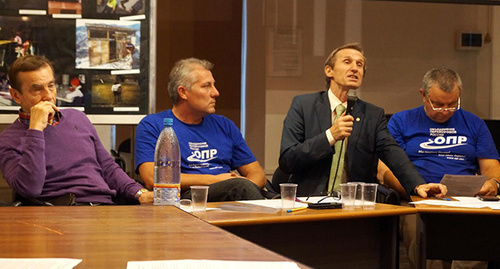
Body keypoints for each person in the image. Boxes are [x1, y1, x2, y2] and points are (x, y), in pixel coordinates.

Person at [278, 42, 447, 198]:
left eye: (359, 65)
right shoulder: (303, 105)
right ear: (329, 71)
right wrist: (330, 136)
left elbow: (393, 153)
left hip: (355, 204)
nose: (355, 68)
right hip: (309, 202)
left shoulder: (372, 114)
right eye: (347, 62)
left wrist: (418, 185)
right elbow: (288, 160)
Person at [379, 67, 500, 269]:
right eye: (438, 104)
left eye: (452, 105)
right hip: (417, 200)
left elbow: (491, 166)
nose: (445, 111)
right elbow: (384, 171)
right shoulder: (401, 122)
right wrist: (416, 188)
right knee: (424, 240)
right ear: (423, 95)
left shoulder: (474, 123)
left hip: (467, 200)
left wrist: (493, 183)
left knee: (481, 236)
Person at [0, 55, 152, 205]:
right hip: (60, 213)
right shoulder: (8, 139)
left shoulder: (77, 117)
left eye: (51, 86)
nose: (48, 96)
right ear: (16, 95)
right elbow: (29, 188)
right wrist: (35, 130)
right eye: (37, 89)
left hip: (104, 208)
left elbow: (108, 167)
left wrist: (139, 193)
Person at [135, 58, 266, 201]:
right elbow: (151, 178)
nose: (215, 93)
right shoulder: (153, 125)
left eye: (214, 86)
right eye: (206, 86)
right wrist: (216, 180)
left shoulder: (224, 125)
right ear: (183, 92)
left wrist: (243, 189)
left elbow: (258, 174)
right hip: (186, 197)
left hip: (231, 197)